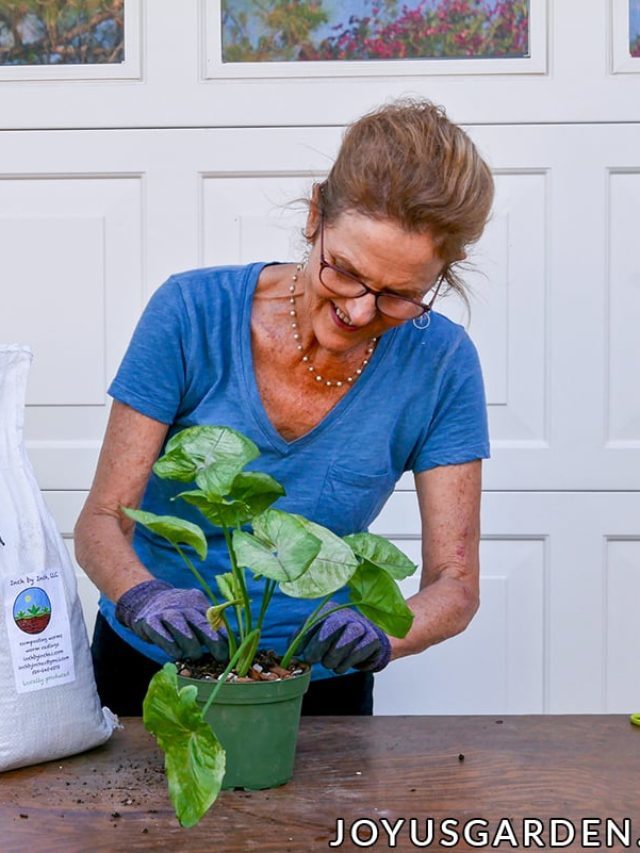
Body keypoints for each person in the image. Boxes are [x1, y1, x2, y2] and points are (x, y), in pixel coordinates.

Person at [74, 98, 494, 717]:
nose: (358, 312)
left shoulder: (442, 363)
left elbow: (454, 585)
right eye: (344, 272)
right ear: (315, 215)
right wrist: (143, 596)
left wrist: (386, 634)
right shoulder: (191, 313)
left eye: (400, 295)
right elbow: (102, 521)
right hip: (150, 672)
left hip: (318, 686)